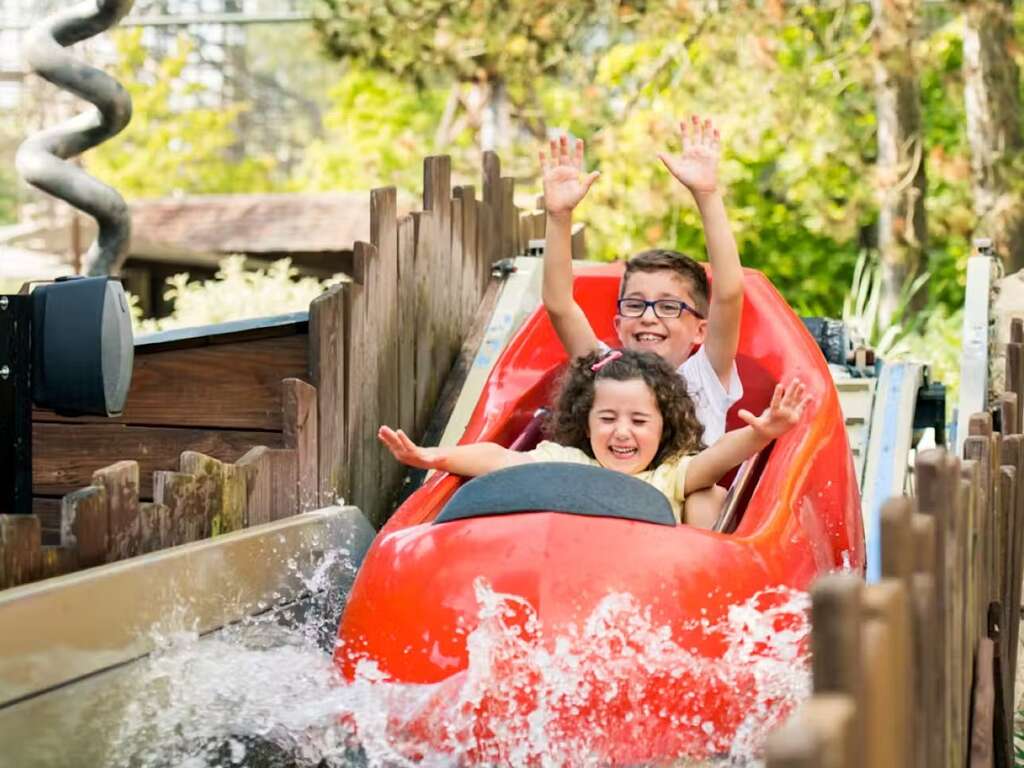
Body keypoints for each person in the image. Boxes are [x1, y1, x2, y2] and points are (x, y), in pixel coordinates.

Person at [538, 115, 745, 519]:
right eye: (636, 304)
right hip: (606, 510)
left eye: (669, 307)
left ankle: (696, 573)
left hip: (675, 522)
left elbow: (730, 293)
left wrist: (707, 194)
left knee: (704, 497)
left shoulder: (704, 375)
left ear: (700, 328)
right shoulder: (604, 368)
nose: (649, 317)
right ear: (618, 325)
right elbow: (560, 304)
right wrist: (559, 217)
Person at [378, 349, 808, 528]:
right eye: (607, 419)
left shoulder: (668, 476)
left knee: (706, 497)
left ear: (664, 427)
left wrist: (762, 433)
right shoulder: (565, 462)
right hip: (578, 576)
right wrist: (434, 456)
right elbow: (496, 459)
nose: (622, 431)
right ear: (587, 424)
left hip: (649, 583)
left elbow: (714, 460)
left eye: (639, 421)